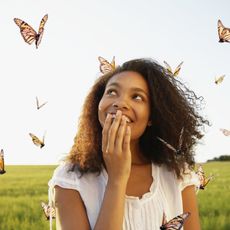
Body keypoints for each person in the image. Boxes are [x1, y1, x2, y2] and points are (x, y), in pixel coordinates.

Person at [48, 58, 209, 230]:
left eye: (137, 97)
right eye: (111, 92)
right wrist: (117, 179)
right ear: (98, 104)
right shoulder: (70, 179)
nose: (120, 103)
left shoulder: (177, 175)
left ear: (152, 117)